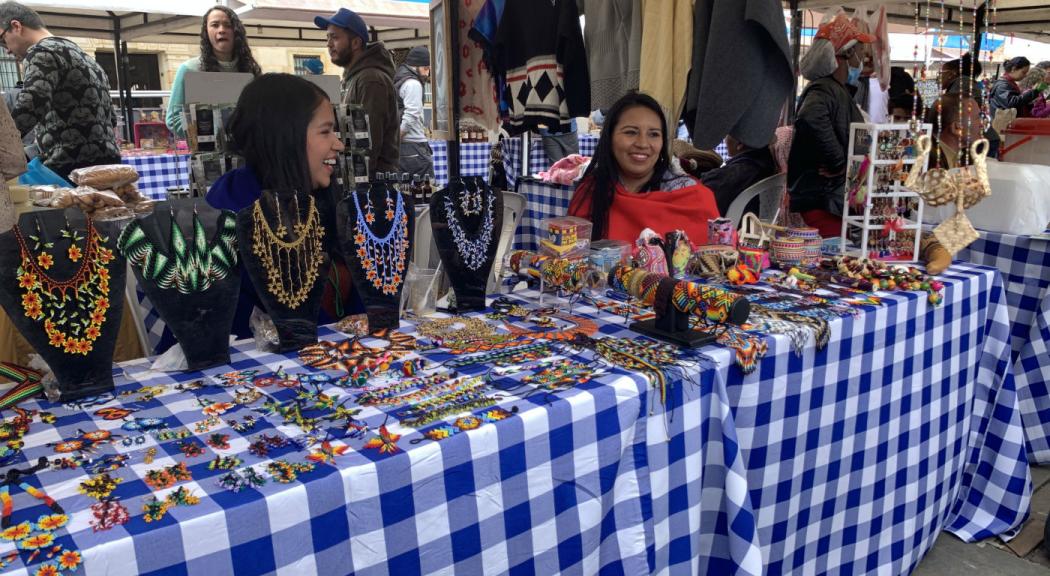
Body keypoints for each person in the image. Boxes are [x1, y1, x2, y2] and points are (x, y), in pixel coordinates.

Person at [206, 73, 356, 338]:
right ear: (285, 137)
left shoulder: (314, 202)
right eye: (325, 131)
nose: (339, 144)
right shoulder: (235, 217)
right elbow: (294, 316)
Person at [568, 91, 719, 243]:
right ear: (609, 137)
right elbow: (570, 257)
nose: (642, 144)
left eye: (653, 134)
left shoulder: (694, 198)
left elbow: (716, 260)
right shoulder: (590, 192)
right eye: (631, 132)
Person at [0, 1, 120, 181]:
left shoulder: (41, 52)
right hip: (109, 166)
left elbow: (31, 107)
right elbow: (111, 118)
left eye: (2, 41)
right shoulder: (85, 57)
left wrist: (4, 143)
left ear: (16, 26)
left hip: (69, 171)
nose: (7, 50)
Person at [787, 14, 874, 238]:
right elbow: (811, 117)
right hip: (823, 199)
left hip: (830, 198)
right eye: (860, 52)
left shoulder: (835, 89)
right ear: (844, 55)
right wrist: (838, 161)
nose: (862, 59)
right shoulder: (824, 89)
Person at [316, 8, 399, 175]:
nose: (329, 44)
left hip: (373, 187)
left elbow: (368, 144)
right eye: (328, 38)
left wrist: (355, 186)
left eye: (335, 37)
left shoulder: (370, 80)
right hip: (359, 183)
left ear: (355, 43)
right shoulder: (354, 78)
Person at [166, 6, 261, 138]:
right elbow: (173, 119)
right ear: (206, 31)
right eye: (215, 25)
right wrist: (206, 136)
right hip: (207, 154)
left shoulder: (250, 71)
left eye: (227, 25)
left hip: (246, 154)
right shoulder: (190, 70)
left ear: (236, 31)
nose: (221, 30)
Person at [700, 134, 777, 216]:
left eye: (727, 134)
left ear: (740, 144)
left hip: (730, 226)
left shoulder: (729, 176)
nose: (725, 139)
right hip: (755, 224)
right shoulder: (768, 163)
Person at [393, 45, 433, 179]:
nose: (427, 73)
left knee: (406, 190)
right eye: (425, 68)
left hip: (405, 147)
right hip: (414, 145)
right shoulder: (413, 84)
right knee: (423, 191)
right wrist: (397, 138)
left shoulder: (400, 79)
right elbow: (411, 115)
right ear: (415, 66)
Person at [925, 93, 983, 169]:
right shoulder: (925, 163)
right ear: (956, 128)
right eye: (977, 118)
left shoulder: (967, 155)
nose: (982, 123)